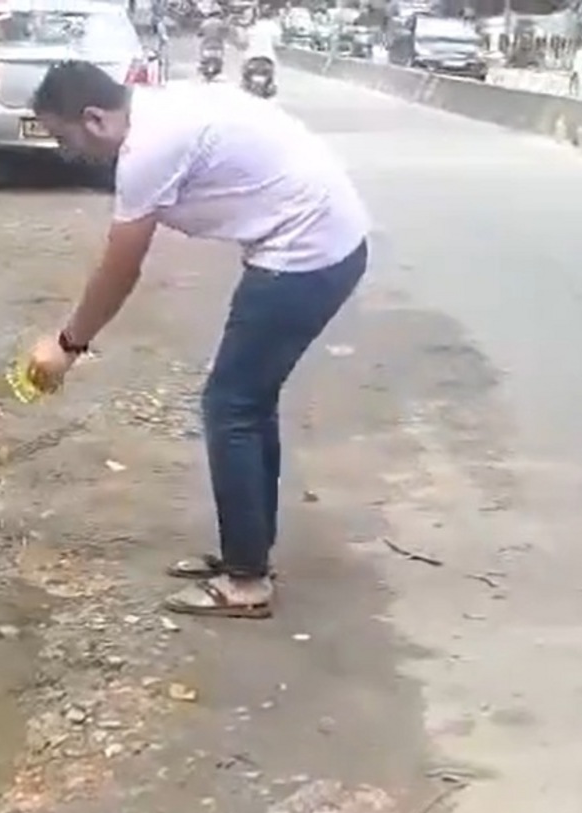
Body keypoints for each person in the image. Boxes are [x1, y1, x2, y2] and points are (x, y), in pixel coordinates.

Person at [23, 62, 369, 619]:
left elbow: (122, 266)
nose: (69, 154)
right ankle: (248, 553)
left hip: (306, 255)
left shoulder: (147, 147)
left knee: (230, 407)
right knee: (247, 404)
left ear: (94, 118)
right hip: (323, 242)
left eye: (66, 139)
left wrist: (67, 344)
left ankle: (247, 582)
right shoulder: (160, 109)